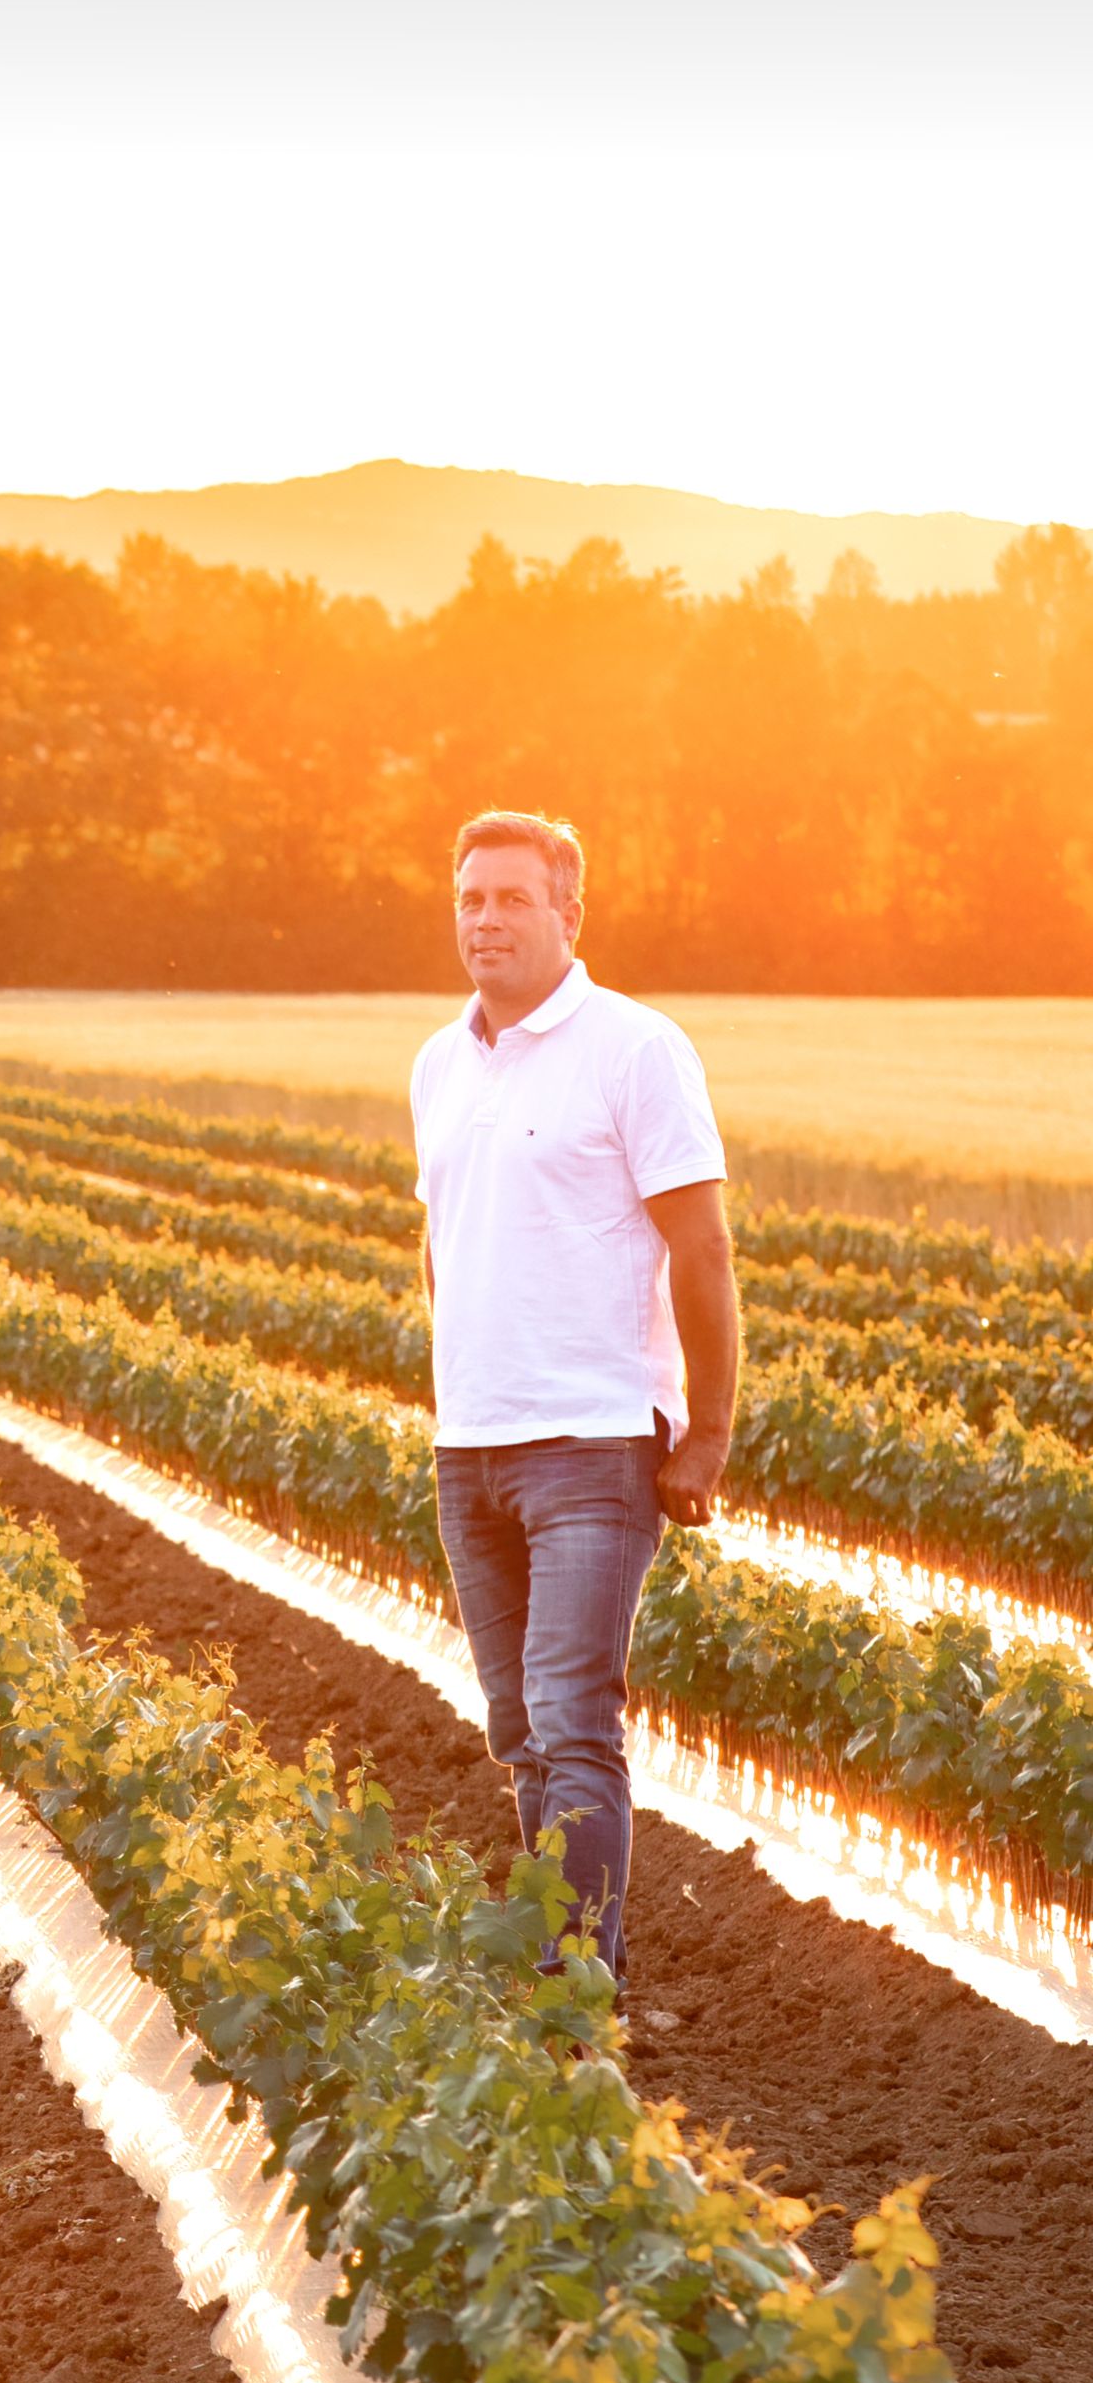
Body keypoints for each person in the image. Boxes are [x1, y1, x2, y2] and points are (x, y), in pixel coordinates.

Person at [413, 810, 737, 2002]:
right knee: (519, 1732)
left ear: (569, 913)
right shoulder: (439, 1061)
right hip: (472, 1448)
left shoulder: (635, 1049)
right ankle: (564, 1967)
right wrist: (458, 1389)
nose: (486, 918)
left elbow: (699, 1244)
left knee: (573, 1717)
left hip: (594, 1445)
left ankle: (574, 1990)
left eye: (511, 897)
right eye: (469, 898)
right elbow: (441, 1238)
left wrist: (703, 1429)